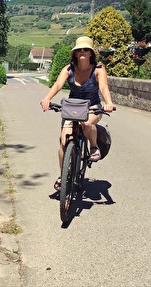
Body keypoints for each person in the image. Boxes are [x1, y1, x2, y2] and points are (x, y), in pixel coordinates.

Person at [40, 36, 114, 191]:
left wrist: (108, 102)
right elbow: (58, 84)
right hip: (73, 107)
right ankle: (62, 175)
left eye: (86, 49)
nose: (82, 52)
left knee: (87, 124)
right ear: (74, 53)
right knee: (63, 142)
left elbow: (104, 87)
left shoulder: (98, 70)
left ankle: (93, 147)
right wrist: (47, 99)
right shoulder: (69, 69)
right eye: (79, 49)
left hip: (92, 106)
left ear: (91, 53)